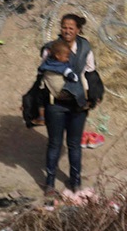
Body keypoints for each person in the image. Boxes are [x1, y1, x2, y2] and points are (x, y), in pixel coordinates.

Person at [39, 13, 101, 194]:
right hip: (55, 104)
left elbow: (91, 72)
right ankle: (50, 183)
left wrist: (93, 96)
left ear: (78, 30)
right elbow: (43, 74)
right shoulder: (50, 48)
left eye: (71, 28)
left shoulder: (85, 49)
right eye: (64, 27)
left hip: (78, 104)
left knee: (74, 144)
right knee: (54, 144)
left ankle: (75, 181)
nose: (67, 31)